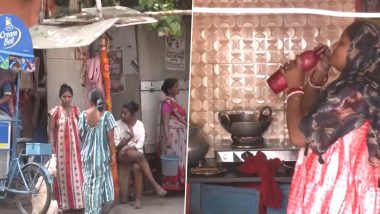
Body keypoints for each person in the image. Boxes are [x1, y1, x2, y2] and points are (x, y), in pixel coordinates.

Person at [283, 21, 380, 213]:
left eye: (342, 43)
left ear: (359, 50)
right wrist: (318, 75)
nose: (335, 46)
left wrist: (294, 88)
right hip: (334, 186)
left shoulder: (355, 93)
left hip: (339, 193)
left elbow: (298, 135)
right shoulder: (353, 86)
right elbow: (311, 117)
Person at [115, 101, 166, 209]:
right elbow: (117, 145)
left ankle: (138, 200)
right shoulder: (117, 124)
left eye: (125, 113)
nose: (122, 115)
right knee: (136, 155)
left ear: (132, 115)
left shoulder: (139, 125)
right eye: (122, 113)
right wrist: (129, 138)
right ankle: (155, 184)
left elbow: (140, 144)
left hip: (136, 153)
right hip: (122, 155)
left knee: (137, 167)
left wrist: (130, 147)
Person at [78, 88, 117, 214]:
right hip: (102, 158)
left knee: (91, 186)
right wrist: (113, 155)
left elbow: (80, 136)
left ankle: (93, 211)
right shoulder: (107, 116)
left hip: (88, 158)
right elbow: (111, 140)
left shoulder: (83, 115)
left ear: (90, 100)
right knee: (105, 188)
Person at [48, 84, 84, 212]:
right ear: (60, 97)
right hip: (61, 151)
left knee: (77, 176)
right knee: (62, 178)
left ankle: (78, 204)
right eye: (64, 96)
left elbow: (83, 127)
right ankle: (63, 205)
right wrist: (52, 145)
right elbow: (51, 130)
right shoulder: (55, 112)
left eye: (69, 96)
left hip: (75, 150)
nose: (67, 99)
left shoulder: (76, 110)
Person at [157, 78, 187, 190]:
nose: (178, 88)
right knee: (173, 157)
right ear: (169, 90)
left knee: (179, 157)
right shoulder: (167, 103)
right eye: (176, 86)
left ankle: (179, 183)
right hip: (172, 133)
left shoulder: (174, 101)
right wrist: (168, 139)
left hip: (179, 133)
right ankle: (171, 185)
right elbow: (165, 122)